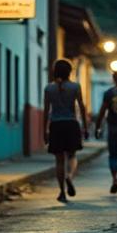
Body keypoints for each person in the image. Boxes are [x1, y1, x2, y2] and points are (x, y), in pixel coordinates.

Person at [42, 59, 89, 203]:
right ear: (70, 72)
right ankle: (69, 176)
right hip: (71, 124)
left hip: (56, 126)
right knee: (72, 156)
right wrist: (85, 127)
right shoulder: (75, 87)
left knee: (59, 161)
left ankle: (62, 192)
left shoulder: (49, 88)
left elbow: (46, 111)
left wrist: (45, 130)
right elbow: (81, 107)